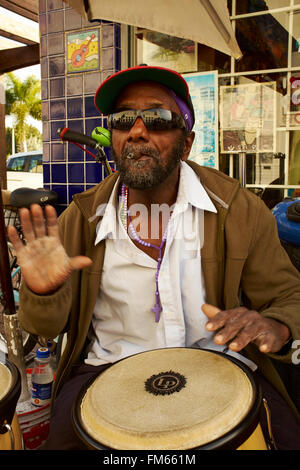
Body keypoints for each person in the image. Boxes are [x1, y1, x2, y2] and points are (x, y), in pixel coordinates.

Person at [8, 65, 300, 450]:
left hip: (222, 368)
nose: (138, 131)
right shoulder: (81, 218)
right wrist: (43, 291)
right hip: (103, 372)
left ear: (188, 141)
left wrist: (276, 327)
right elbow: (44, 326)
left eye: (159, 118)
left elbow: (288, 298)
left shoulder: (239, 209)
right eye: (124, 118)